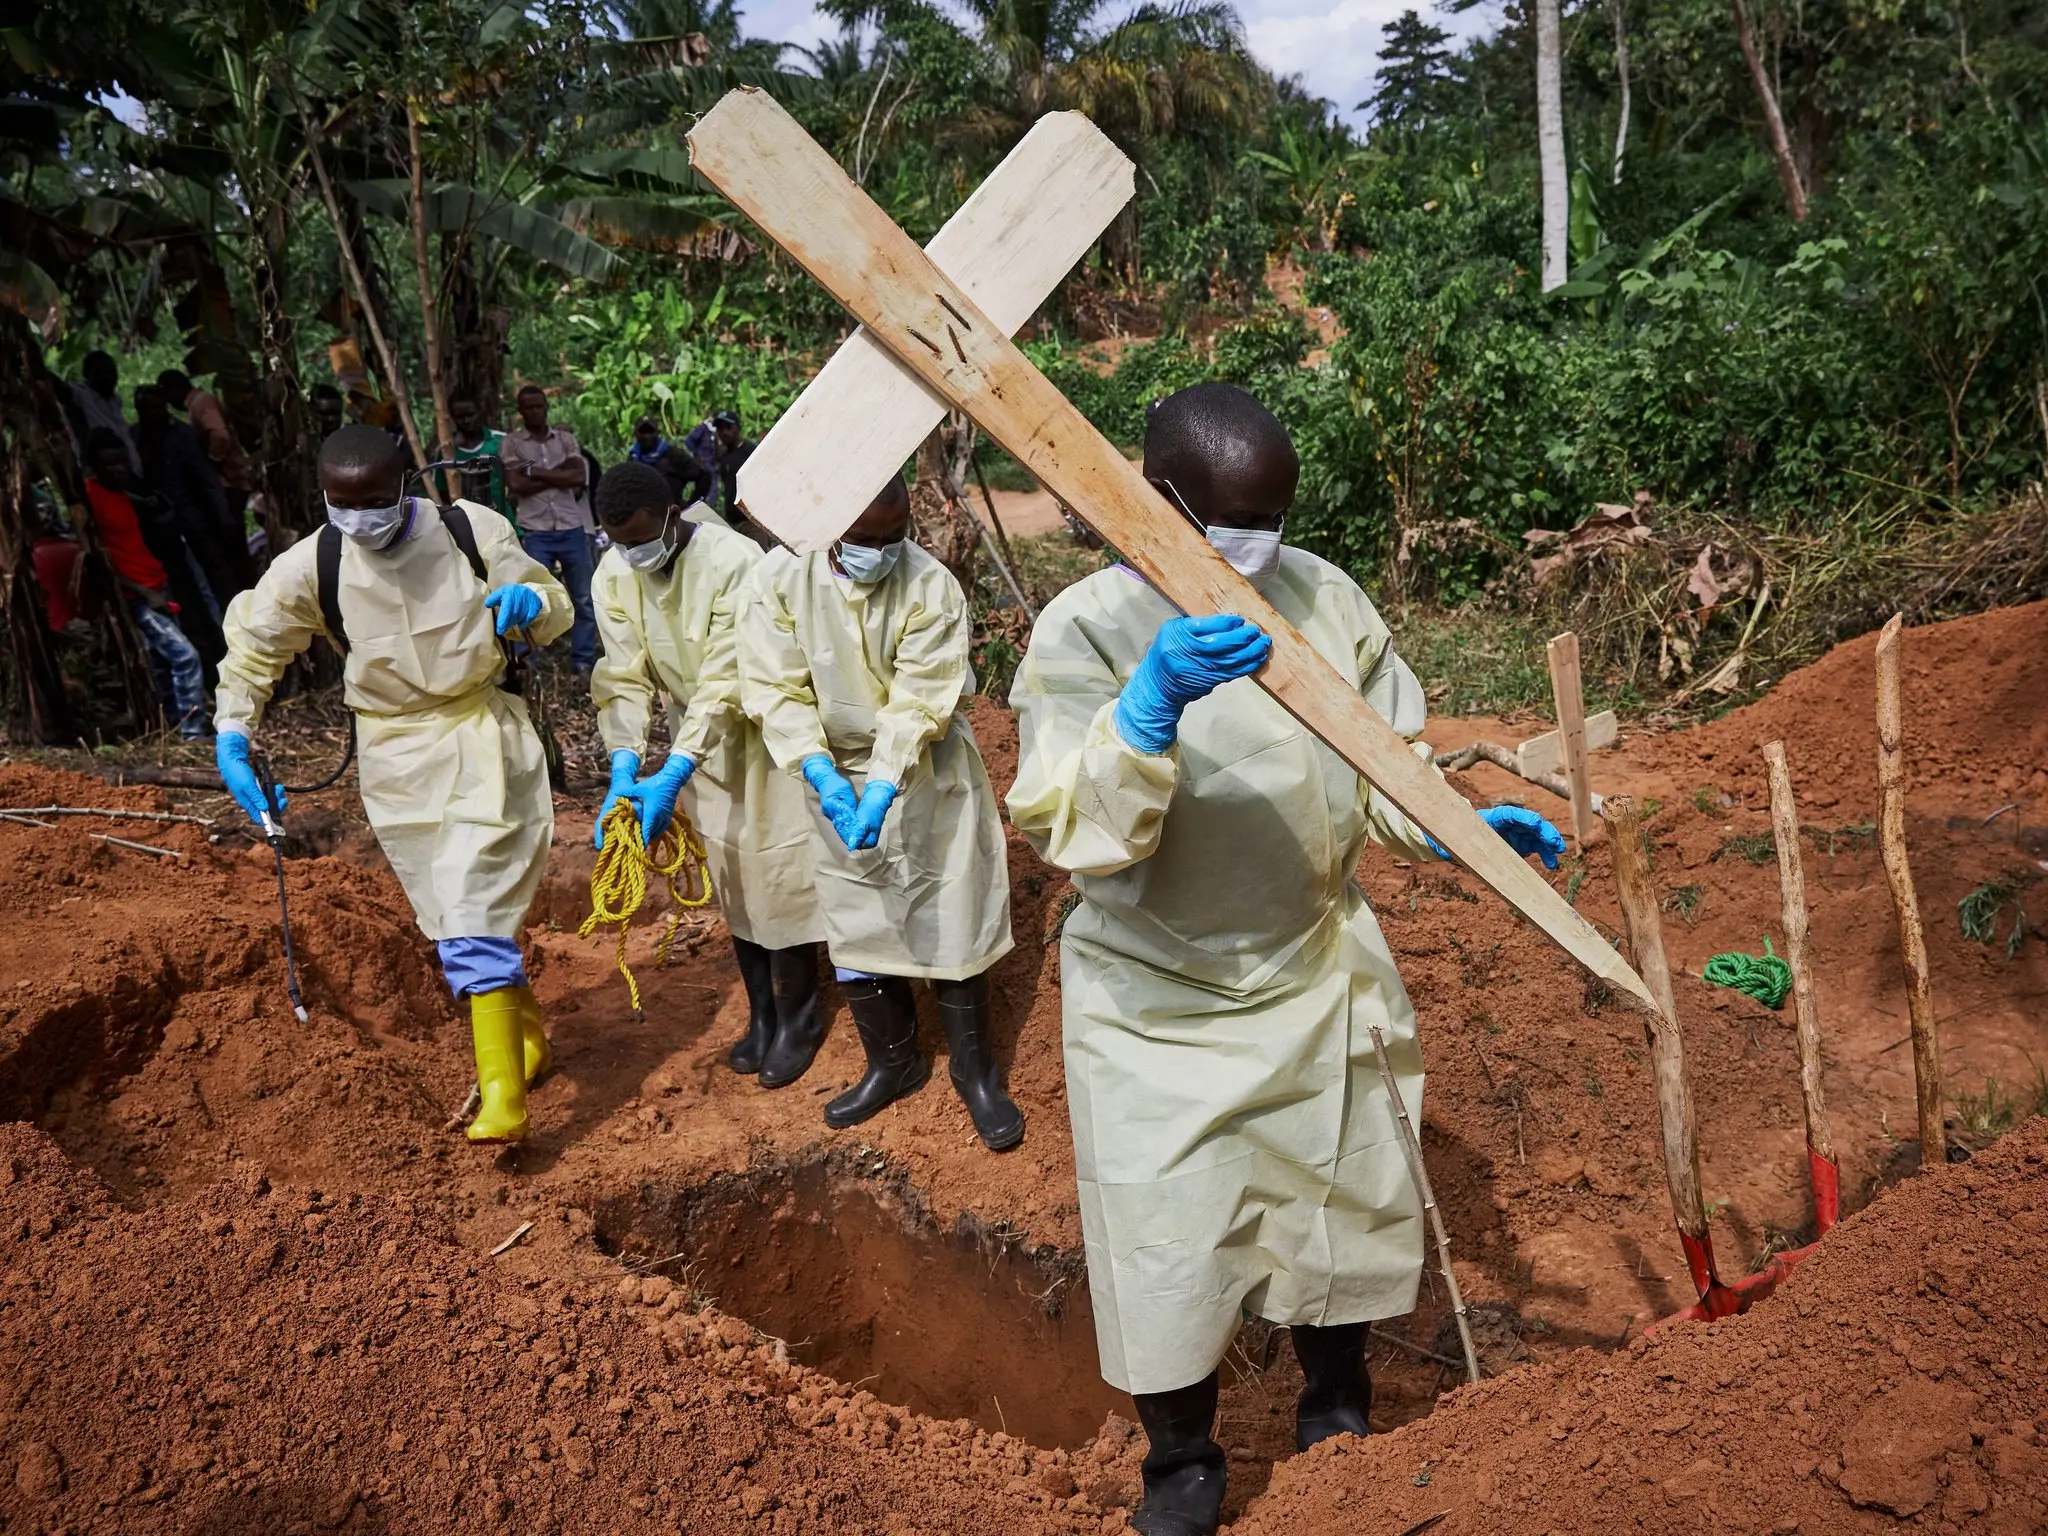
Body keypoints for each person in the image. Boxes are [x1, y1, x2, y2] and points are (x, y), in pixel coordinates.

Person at [1006, 383, 1566, 1536]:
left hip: (1313, 968)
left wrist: (1458, 829)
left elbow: (1384, 757)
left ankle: (1335, 1399)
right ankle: (1180, 1463)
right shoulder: (1085, 632)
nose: (1256, 541)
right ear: (1155, 501)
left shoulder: (1321, 596)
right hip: (1159, 998)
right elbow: (1069, 825)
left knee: (1338, 1202)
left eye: (1272, 512)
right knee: (1169, 1238)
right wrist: (1145, 712)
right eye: (1231, 515)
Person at [211, 425, 572, 1144]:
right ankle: (526, 1041)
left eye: (373, 501)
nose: (359, 518)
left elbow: (548, 600)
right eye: (343, 504)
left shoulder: (470, 529)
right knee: (447, 917)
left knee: (470, 901)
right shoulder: (312, 562)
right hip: (393, 758)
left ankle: (503, 1098)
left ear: (406, 484)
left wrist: (531, 603)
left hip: (480, 735)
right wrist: (232, 734)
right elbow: (253, 648)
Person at [737, 472, 1022, 1149]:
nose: (881, 552)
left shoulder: (929, 586)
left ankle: (976, 1075)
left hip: (926, 769)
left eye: (894, 537)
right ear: (831, 530)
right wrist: (819, 770)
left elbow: (922, 698)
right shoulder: (779, 580)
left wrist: (884, 781)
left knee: (952, 911)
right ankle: (893, 1062)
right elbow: (775, 687)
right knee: (857, 913)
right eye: (864, 540)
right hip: (830, 767)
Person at [589, 462, 827, 1083]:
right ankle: (762, 1015)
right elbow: (621, 673)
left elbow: (727, 676)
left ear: (674, 514)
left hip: (760, 731)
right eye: (620, 542)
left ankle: (801, 1017)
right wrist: (624, 762)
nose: (634, 553)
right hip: (691, 744)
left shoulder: (735, 559)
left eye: (642, 538)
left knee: (780, 871)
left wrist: (675, 767)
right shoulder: (614, 571)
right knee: (732, 878)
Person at [82, 429, 211, 739]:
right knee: (185, 657)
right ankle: (193, 734)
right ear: (95, 467)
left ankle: (172, 729)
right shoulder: (89, 498)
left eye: (122, 461)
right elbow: (97, 560)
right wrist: (141, 592)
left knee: (163, 665)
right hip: (138, 595)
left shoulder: (124, 496)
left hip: (157, 585)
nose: (119, 469)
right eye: (110, 464)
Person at [499, 385, 597, 674]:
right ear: (520, 412)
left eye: (538, 406)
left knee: (583, 598)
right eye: (527, 408)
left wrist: (534, 472)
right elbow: (515, 485)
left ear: (546, 407)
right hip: (536, 528)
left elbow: (579, 477)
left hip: (571, 527)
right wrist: (559, 475)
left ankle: (583, 661)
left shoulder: (565, 439)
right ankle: (529, 662)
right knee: (531, 596)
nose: (534, 412)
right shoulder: (512, 444)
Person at [133, 383, 243, 614]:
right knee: (182, 580)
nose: (152, 414)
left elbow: (206, 478)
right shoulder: (136, 438)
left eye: (156, 407)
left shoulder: (182, 434)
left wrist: (223, 516)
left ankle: (237, 616)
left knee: (216, 568)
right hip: (160, 525)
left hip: (194, 518)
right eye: (146, 409)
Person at [157, 369, 252, 502]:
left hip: (231, 479)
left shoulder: (201, 402)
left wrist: (212, 461)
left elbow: (219, 435)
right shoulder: (195, 406)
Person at [68, 351, 142, 476]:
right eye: (102, 373)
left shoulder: (115, 401)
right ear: (87, 375)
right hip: (102, 474)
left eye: (112, 373)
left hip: (129, 473)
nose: (109, 378)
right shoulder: (81, 395)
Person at [448, 396, 514, 523]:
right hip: (468, 525)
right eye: (460, 417)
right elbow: (443, 490)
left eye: (470, 415)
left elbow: (515, 482)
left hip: (505, 519)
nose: (466, 420)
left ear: (480, 412)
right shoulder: (448, 451)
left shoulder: (501, 441)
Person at [629, 416, 712, 508]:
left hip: (670, 513)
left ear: (657, 433)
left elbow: (704, 475)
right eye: (642, 432)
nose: (646, 435)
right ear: (636, 434)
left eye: (650, 431)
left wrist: (694, 505)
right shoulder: (633, 458)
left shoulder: (673, 455)